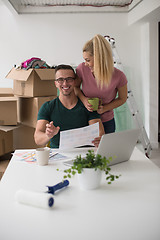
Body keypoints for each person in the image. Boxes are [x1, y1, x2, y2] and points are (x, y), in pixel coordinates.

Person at [34, 64, 105, 148]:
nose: (65, 83)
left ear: (75, 82)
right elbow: (38, 139)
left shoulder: (87, 106)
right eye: (60, 80)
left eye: (69, 79)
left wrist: (99, 140)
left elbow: (99, 133)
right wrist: (48, 135)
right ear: (55, 83)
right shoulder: (48, 107)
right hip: (58, 155)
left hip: (83, 154)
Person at [75, 34, 128, 134]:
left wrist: (105, 108)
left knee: (106, 149)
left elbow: (122, 98)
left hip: (107, 122)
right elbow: (75, 88)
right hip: (84, 119)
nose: (85, 63)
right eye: (84, 60)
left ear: (100, 59)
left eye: (88, 60)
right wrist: (84, 100)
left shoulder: (119, 76)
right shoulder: (82, 69)